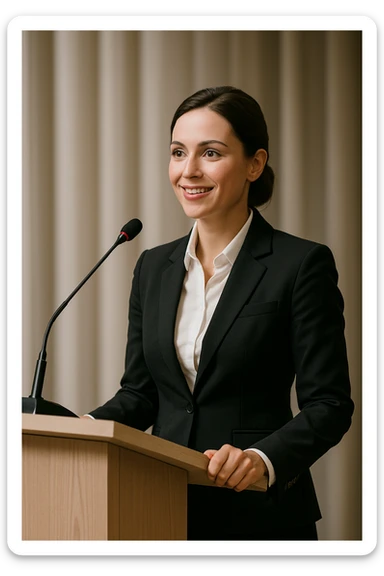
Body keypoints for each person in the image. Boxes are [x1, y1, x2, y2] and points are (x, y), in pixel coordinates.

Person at [83, 86, 354, 540]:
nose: (189, 171)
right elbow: (141, 394)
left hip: (259, 518)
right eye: (177, 152)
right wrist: (82, 430)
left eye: (211, 153)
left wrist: (261, 459)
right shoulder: (153, 267)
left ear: (255, 164)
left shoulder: (300, 264)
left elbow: (330, 405)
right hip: (158, 509)